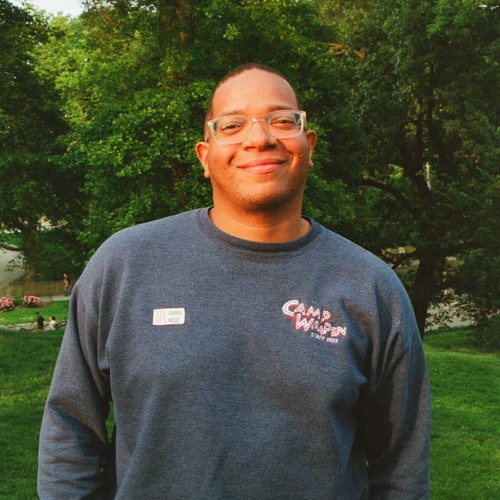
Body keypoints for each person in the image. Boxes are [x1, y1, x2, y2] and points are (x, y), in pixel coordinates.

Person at [38, 63, 431, 499]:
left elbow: (402, 468)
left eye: (282, 121)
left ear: (309, 146)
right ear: (205, 157)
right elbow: (69, 429)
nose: (259, 138)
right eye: (232, 125)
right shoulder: (124, 265)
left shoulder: (371, 287)